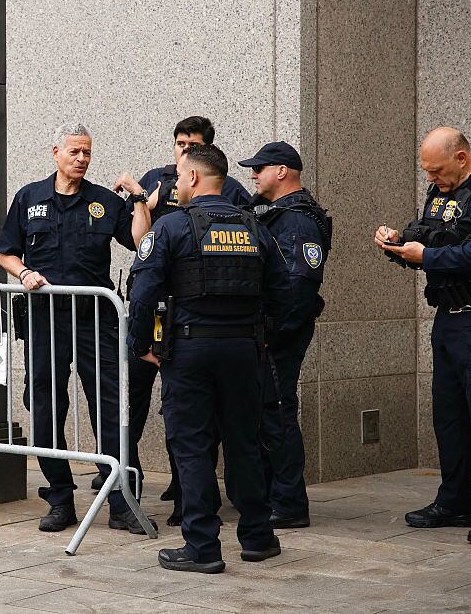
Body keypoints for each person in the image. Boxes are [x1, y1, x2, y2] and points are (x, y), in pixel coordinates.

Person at [128, 144, 283, 573]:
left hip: (190, 351)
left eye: (178, 177)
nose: (175, 184)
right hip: (243, 350)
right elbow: (282, 293)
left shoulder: (173, 228)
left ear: (194, 178)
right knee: (245, 443)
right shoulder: (255, 227)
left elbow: (142, 298)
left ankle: (202, 547)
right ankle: (257, 537)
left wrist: (140, 347)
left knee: (193, 447)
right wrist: (264, 339)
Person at [0, 122, 154, 535]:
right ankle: (60, 498)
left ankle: (121, 503)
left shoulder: (104, 201)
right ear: (56, 152)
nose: (82, 159)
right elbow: (6, 253)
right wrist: (24, 272)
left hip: (94, 321)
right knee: (46, 406)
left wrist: (138, 196)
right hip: (46, 320)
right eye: (75, 152)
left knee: (109, 407)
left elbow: (140, 242)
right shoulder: (29, 198)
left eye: (87, 152)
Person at [375, 126, 471, 546]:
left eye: (437, 170)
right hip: (449, 315)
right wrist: (400, 242)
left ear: (461, 157)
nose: (431, 179)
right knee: (450, 413)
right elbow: (431, 236)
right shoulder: (444, 190)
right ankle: (456, 500)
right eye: (427, 172)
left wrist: (429, 256)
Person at [110, 116, 250, 527]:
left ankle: (190, 502)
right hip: (162, 319)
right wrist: (140, 199)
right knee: (132, 408)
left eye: (193, 144)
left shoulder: (229, 191)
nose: (184, 151)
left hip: (193, 322)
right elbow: (137, 243)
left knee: (190, 420)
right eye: (180, 143)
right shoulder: (156, 181)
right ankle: (126, 491)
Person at [239, 141, 330, 529]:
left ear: (282, 171)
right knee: (266, 413)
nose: (254, 175)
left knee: (277, 413)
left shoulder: (298, 220)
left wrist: (270, 335)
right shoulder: (280, 215)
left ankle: (290, 503)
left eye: (260, 168)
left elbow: (297, 289)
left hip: (279, 335)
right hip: (271, 332)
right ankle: (273, 495)